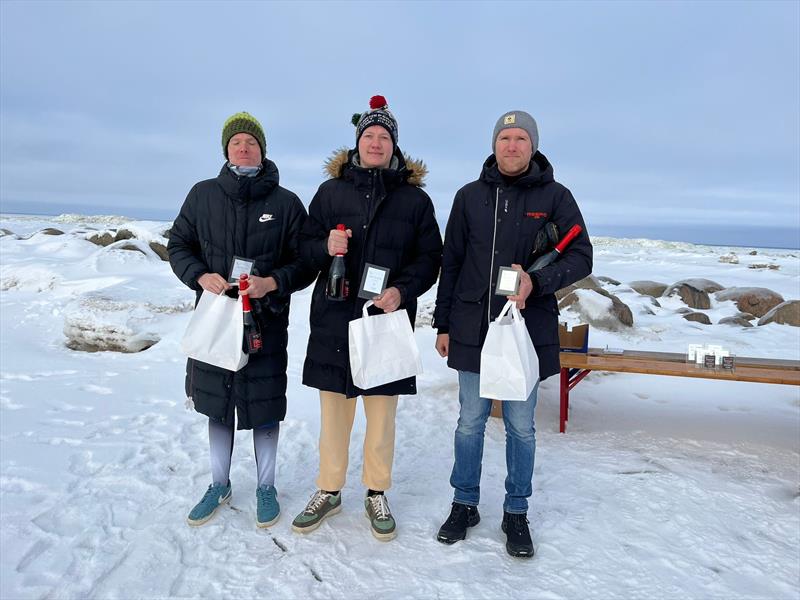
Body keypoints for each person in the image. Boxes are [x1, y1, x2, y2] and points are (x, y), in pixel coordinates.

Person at [433, 110, 592, 557]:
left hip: (526, 332)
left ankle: (516, 511)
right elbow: (452, 263)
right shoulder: (468, 196)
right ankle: (464, 504)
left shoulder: (556, 196)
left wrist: (536, 282)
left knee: (521, 428)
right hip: (471, 329)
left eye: (521, 138)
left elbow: (581, 256)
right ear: (494, 144)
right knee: (470, 423)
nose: (512, 145)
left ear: (533, 145)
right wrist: (443, 322)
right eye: (505, 137)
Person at [292, 95, 442, 541]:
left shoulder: (414, 200)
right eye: (368, 135)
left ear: (394, 145)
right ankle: (329, 490)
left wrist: (403, 289)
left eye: (383, 137)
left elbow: (430, 257)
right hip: (335, 318)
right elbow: (302, 247)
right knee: (334, 415)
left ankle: (376, 491)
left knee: (381, 417)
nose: (375, 143)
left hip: (385, 319)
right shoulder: (329, 193)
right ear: (357, 142)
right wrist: (325, 248)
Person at [168, 111, 313, 528]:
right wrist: (199, 274)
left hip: (263, 323)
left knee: (264, 407)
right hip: (215, 321)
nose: (244, 147)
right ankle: (219, 483)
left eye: (251, 142)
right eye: (236, 142)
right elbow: (178, 243)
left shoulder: (285, 203)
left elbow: (304, 262)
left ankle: (266, 487)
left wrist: (272, 283)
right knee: (218, 405)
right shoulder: (202, 194)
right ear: (226, 150)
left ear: (262, 151)